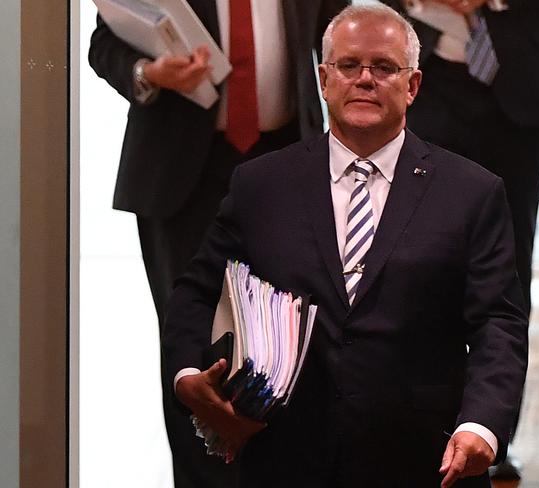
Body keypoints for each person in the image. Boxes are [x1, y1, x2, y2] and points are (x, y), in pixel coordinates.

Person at [163, 4, 528, 487]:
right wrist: (188, 372)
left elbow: (497, 324)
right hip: (285, 456)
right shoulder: (261, 185)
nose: (365, 80)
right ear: (323, 78)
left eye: (384, 67)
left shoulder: (472, 192)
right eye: (349, 66)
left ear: (413, 85)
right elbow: (197, 290)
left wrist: (480, 424)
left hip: (423, 460)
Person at [88, 1, 347, 487]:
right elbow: (105, 44)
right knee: (192, 346)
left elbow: (341, 34)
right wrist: (150, 74)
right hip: (184, 178)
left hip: (286, 164)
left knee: (289, 340)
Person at [380, 0, 539, 479]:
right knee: (419, 259)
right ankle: (424, 427)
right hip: (422, 70)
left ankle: (490, 433)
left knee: (508, 264)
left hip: (519, 78)